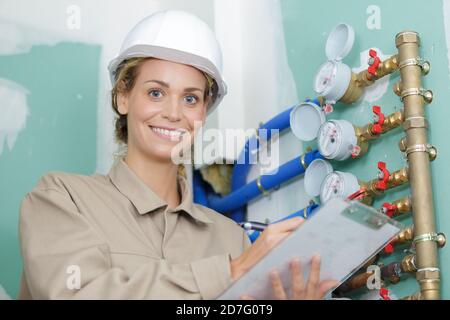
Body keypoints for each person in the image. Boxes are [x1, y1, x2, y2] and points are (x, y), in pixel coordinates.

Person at [18, 10, 337, 299]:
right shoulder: (61, 199)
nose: (173, 113)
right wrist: (229, 273)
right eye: (156, 92)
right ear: (123, 97)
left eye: (190, 98)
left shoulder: (228, 238)